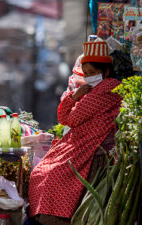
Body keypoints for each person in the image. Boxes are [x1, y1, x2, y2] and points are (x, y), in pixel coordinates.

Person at [28, 41, 122, 225]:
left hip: (88, 141)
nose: (88, 77)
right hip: (77, 139)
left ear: (106, 72)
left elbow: (70, 119)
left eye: (93, 73)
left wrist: (76, 96)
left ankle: (54, 216)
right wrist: (75, 96)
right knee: (40, 172)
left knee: (52, 174)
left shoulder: (106, 89)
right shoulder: (94, 90)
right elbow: (64, 117)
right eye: (86, 74)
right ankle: (46, 215)